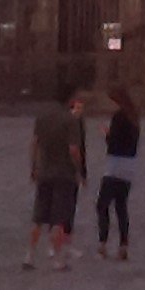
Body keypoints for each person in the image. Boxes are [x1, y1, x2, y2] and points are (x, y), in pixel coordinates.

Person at [26, 83, 86, 270]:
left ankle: (29, 255)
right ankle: (57, 258)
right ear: (70, 99)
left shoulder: (42, 117)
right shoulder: (70, 120)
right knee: (60, 218)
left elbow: (34, 144)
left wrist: (34, 166)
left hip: (44, 170)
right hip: (63, 173)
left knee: (38, 217)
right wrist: (80, 169)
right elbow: (74, 149)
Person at [96, 86, 140, 260]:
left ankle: (102, 243)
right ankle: (123, 245)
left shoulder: (119, 117)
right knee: (121, 206)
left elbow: (113, 143)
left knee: (102, 205)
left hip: (115, 165)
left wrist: (106, 134)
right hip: (129, 166)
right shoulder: (134, 117)